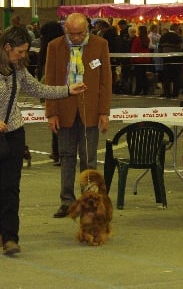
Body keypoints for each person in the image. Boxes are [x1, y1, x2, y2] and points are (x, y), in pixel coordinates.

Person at [0, 26, 87, 255]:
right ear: (7, 47)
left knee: (11, 185)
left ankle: (11, 237)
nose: (23, 56)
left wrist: (68, 90)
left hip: (14, 133)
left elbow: (36, 88)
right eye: (20, 51)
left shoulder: (18, 69)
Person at [45, 13, 112, 218]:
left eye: (80, 33)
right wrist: (51, 113)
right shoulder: (54, 46)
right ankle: (67, 201)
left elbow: (105, 81)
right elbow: (50, 81)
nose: (75, 38)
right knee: (66, 158)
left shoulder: (100, 45)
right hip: (64, 110)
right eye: (71, 33)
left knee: (88, 159)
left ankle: (88, 201)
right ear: (65, 29)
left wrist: (104, 112)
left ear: (88, 29)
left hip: (90, 111)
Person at [37, 21, 65, 165]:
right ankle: (58, 153)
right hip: (58, 89)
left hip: (52, 89)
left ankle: (58, 153)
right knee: (58, 121)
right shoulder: (60, 45)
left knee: (56, 121)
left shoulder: (49, 47)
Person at [158, 23, 183, 98]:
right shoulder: (178, 37)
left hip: (166, 60)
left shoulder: (163, 36)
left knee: (167, 77)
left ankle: (167, 93)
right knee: (176, 78)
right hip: (176, 61)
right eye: (178, 29)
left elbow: (159, 48)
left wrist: (164, 57)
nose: (179, 30)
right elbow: (181, 49)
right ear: (175, 29)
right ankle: (175, 94)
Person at [130, 25, 151, 95]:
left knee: (138, 76)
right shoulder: (147, 39)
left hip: (138, 59)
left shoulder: (137, 39)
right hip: (145, 59)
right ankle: (145, 90)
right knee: (144, 76)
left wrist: (132, 59)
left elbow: (134, 49)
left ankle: (137, 90)